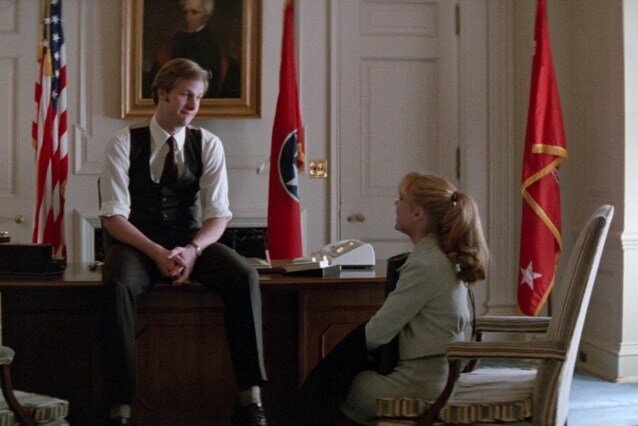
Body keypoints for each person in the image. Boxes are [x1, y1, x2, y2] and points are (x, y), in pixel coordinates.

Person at [99, 58, 266, 426]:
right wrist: (157, 253)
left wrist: (192, 251)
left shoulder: (208, 143)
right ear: (161, 93)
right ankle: (120, 407)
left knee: (244, 275)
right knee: (116, 283)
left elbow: (218, 215)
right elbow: (113, 217)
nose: (193, 105)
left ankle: (250, 398)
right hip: (137, 245)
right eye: (185, 95)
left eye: (198, 97)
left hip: (190, 243)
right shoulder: (123, 142)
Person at [294, 172, 490, 425]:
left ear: (418, 213)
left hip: (418, 384)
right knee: (336, 379)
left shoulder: (425, 264)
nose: (396, 204)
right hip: (437, 376)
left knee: (330, 391)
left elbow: (378, 332)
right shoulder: (441, 254)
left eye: (401, 199)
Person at [144, 0, 241, 99]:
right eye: (186, 12)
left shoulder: (212, 43)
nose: (188, 18)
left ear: (207, 17)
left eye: (194, 12)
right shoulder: (175, 40)